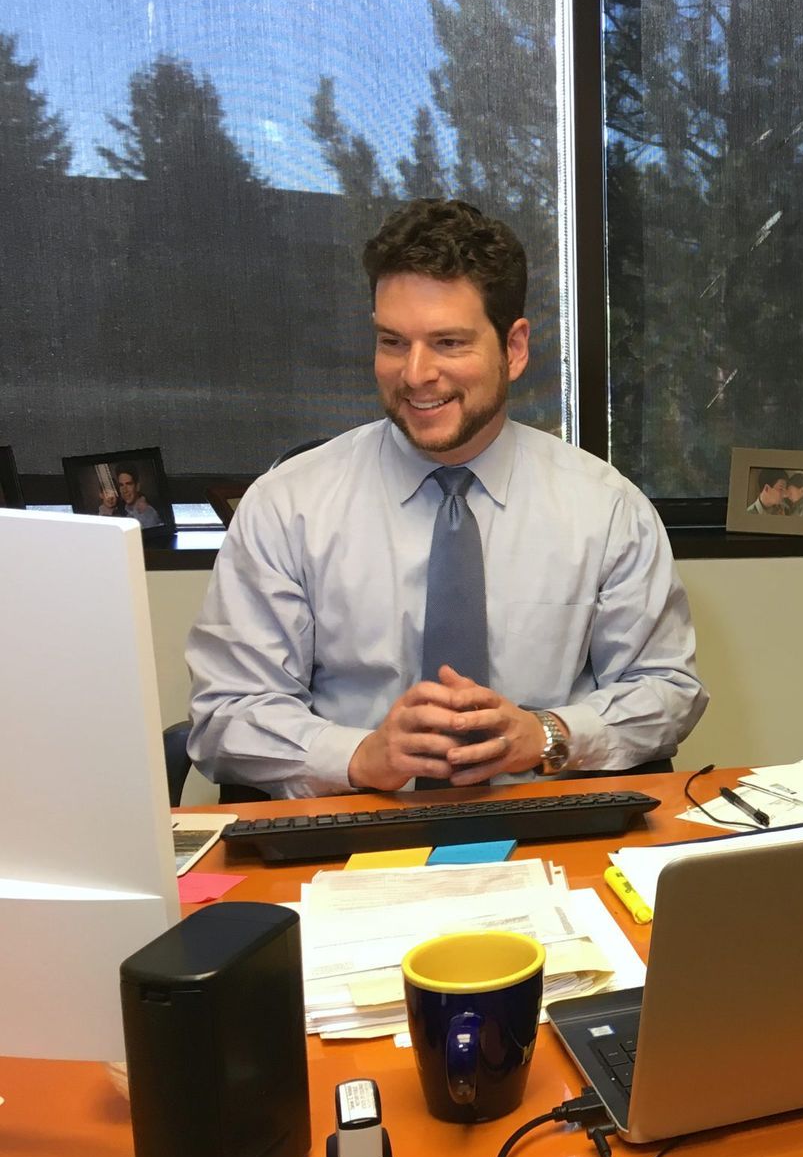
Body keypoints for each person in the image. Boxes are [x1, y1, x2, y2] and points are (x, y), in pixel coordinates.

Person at [187, 198, 707, 796]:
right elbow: (227, 711)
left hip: (545, 821)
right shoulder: (287, 506)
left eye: (449, 343)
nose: (415, 374)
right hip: (357, 823)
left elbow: (667, 688)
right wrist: (359, 755)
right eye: (392, 341)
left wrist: (547, 733)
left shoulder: (606, 509)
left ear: (514, 348)